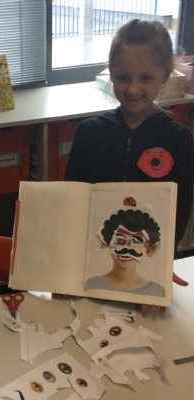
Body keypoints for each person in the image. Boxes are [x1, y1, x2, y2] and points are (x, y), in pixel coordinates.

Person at [62, 19, 194, 314]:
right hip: (91, 268)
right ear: (111, 73)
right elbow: (73, 200)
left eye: (146, 78)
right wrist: (68, 266)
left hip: (145, 270)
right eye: (123, 77)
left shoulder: (179, 138)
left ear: (165, 75)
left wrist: (161, 266)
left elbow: (178, 210)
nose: (134, 88)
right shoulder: (90, 132)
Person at [85, 198, 165, 297]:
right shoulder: (90, 285)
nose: (127, 248)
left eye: (136, 241)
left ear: (147, 249)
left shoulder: (157, 292)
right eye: (119, 241)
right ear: (105, 243)